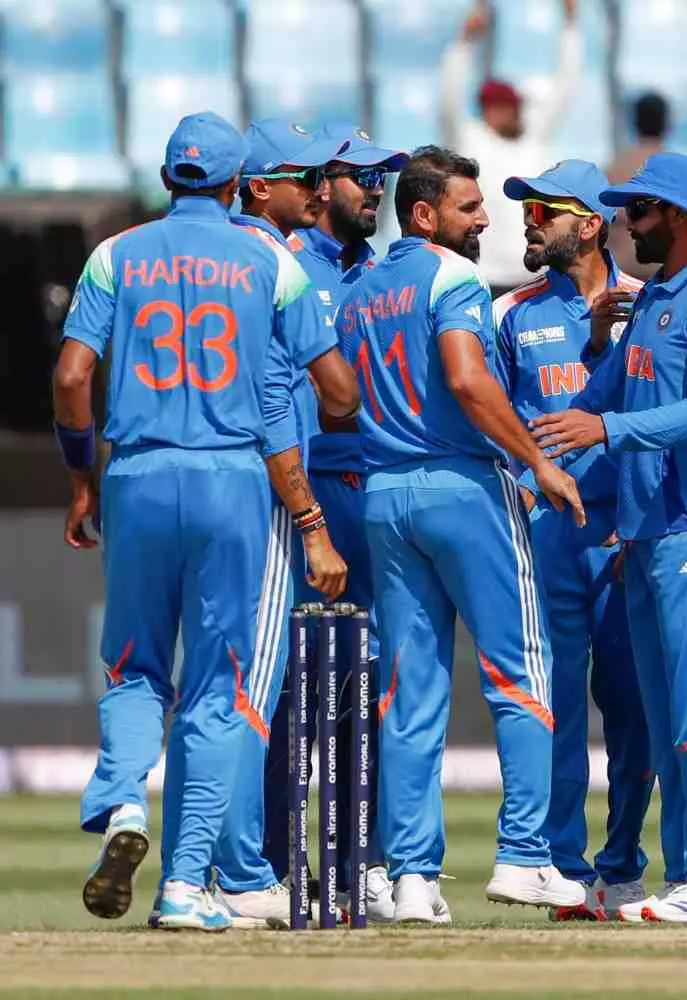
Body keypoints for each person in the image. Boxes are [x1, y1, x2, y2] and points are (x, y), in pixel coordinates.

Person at [58, 111, 358, 931]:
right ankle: (186, 887)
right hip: (232, 479)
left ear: (166, 179)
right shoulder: (270, 260)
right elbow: (338, 391)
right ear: (235, 186)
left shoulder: (115, 254)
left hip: (138, 474)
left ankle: (125, 803)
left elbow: (73, 377)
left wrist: (82, 478)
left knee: (133, 669)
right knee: (218, 688)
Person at [347, 145, 586, 924]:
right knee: (523, 672)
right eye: (469, 207)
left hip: (385, 494)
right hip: (462, 487)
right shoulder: (451, 277)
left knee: (409, 692)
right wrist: (537, 463)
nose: (485, 220)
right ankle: (525, 856)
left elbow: (339, 395)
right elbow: (465, 376)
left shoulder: (360, 289)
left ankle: (413, 879)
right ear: (424, 214)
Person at [531, 153, 687, 925]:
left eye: (640, 209)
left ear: (680, 217)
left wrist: (606, 430)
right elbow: (591, 400)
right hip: (645, 533)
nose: (626, 221)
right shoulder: (658, 295)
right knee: (666, 723)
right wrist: (529, 460)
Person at [493, 160, 653, 921]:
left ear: (590, 225)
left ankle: (620, 867)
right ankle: (562, 868)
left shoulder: (653, 306)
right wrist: (522, 495)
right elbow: (488, 422)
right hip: (546, 537)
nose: (528, 223)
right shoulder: (510, 312)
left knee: (632, 712)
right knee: (551, 709)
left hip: (625, 535)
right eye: (525, 211)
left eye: (542, 211)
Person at [271, 122, 412, 922]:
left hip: (376, 489)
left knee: (373, 684)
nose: (376, 192)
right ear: (321, 185)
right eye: (363, 177)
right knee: (294, 688)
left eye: (384, 178)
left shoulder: (386, 273)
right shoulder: (286, 265)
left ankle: (368, 867)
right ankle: (274, 866)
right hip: (306, 491)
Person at [210, 116, 348, 929]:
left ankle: (202, 869)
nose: (323, 189)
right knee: (251, 690)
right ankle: (239, 872)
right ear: (259, 187)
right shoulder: (270, 261)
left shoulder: (206, 255)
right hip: (263, 495)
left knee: (213, 687)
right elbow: (284, 401)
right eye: (308, 177)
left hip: (199, 484)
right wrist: (312, 522)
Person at [441, 0, 582, 295]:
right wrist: (463, 43)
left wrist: (570, 26)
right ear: (486, 111)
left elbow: (566, 85)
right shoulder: (470, 141)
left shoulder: (533, 136)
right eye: (502, 108)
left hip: (534, 275)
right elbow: (448, 98)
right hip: (485, 277)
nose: (510, 114)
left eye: (513, 108)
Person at [607, 92, 671, 281]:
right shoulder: (677, 172)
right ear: (666, 124)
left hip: (618, 277)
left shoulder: (613, 169)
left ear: (635, 122)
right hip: (664, 278)